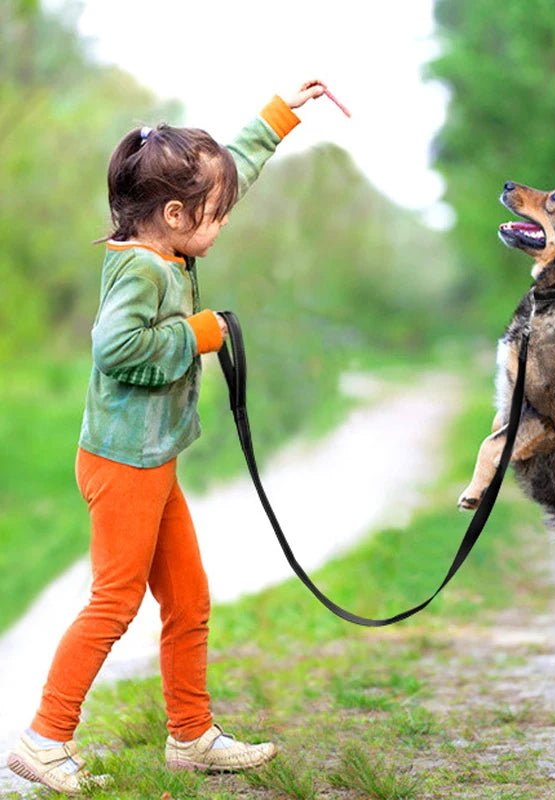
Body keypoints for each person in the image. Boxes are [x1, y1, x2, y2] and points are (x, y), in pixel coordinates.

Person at [8, 79, 327, 796]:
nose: (223, 223)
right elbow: (116, 351)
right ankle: (43, 738)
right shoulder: (140, 270)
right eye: (213, 216)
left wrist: (276, 118)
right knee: (114, 603)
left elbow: (228, 172)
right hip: (123, 467)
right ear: (176, 214)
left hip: (152, 462)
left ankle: (191, 736)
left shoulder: (170, 243)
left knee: (188, 601)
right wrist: (199, 334)